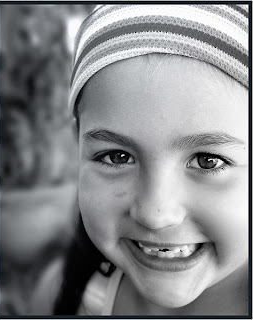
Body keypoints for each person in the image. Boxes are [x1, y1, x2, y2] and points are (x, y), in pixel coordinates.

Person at [31, 4, 249, 316]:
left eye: (208, 161)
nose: (155, 214)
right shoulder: (64, 297)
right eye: (117, 156)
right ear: (76, 149)